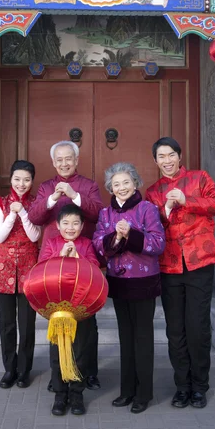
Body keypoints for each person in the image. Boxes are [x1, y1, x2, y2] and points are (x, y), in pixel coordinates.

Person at [145, 137, 215, 409]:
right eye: (161, 156)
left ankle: (199, 386)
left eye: (171, 155)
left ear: (179, 157)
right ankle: (182, 386)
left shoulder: (199, 178)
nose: (166, 160)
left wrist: (187, 199)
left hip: (199, 263)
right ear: (155, 161)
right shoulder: (153, 191)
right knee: (175, 330)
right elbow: (152, 226)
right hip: (169, 266)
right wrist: (166, 208)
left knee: (198, 328)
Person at [28, 140, 103, 391]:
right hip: (54, 260)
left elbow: (97, 214)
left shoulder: (89, 186)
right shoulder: (46, 187)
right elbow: (35, 216)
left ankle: (89, 373)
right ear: (53, 162)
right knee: (58, 319)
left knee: (87, 323)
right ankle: (59, 374)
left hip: (83, 260)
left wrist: (74, 196)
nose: (64, 163)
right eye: (59, 159)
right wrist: (51, 199)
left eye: (68, 158)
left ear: (76, 159)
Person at [93, 162, 165, 414]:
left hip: (144, 283)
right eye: (116, 184)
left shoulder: (147, 209)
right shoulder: (105, 214)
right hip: (119, 283)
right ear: (110, 189)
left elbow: (157, 244)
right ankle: (127, 391)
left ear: (135, 183)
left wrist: (131, 234)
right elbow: (99, 247)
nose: (121, 187)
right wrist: (116, 237)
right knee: (126, 337)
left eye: (126, 182)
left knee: (143, 337)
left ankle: (143, 393)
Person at [38, 204, 101, 416]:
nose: (70, 227)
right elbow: (42, 270)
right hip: (58, 312)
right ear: (58, 225)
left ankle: (77, 395)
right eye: (66, 223)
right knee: (58, 353)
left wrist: (77, 259)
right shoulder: (51, 243)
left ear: (82, 226)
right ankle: (60, 395)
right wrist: (60, 257)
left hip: (80, 309)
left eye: (75, 223)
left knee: (79, 353)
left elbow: (93, 269)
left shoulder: (86, 244)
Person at [0, 160, 41, 390]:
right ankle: (9, 368)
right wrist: (12, 214)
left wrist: (25, 213)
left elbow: (34, 236)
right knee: (7, 323)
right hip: (4, 267)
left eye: (27, 179)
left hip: (29, 266)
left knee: (27, 323)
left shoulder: (36, 203)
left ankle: (24, 369)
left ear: (32, 181)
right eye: (17, 179)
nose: (22, 184)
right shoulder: (1, 202)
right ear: (10, 179)